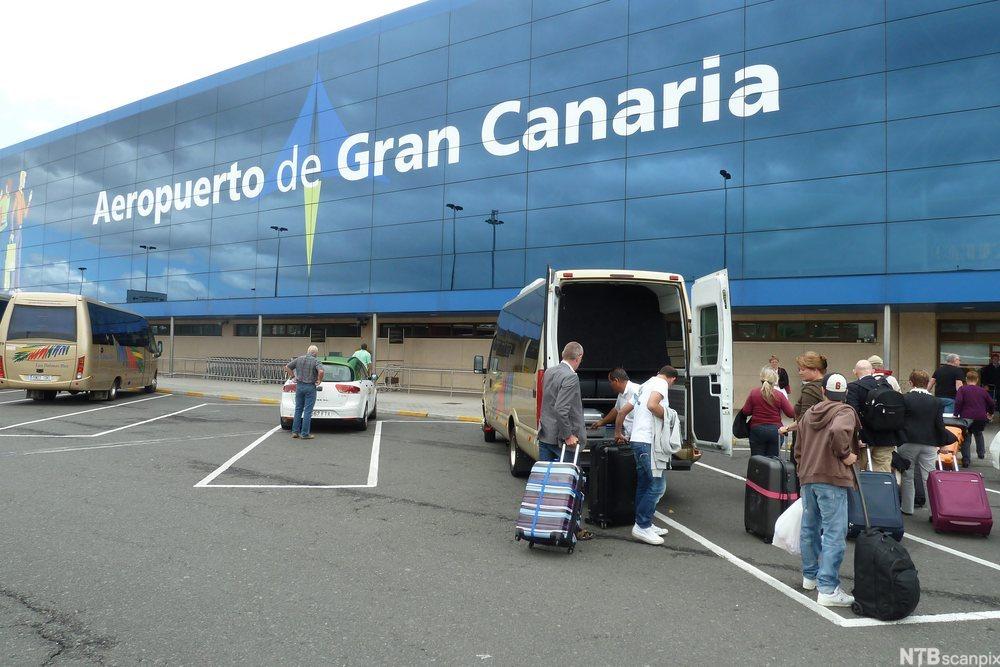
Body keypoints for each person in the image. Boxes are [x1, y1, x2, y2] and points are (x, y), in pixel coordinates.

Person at [794, 373, 860, 608]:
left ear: (823, 391)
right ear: (844, 395)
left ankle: (810, 577)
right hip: (832, 478)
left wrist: (803, 468)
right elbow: (838, 432)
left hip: (808, 477)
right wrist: (846, 454)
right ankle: (828, 588)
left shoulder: (809, 414)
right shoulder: (845, 411)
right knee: (834, 532)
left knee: (809, 528)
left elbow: (798, 448)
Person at [615, 365, 679, 546]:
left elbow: (622, 411)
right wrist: (668, 416)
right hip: (648, 442)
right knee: (658, 485)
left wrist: (618, 433)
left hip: (637, 440)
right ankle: (642, 526)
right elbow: (653, 405)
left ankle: (645, 523)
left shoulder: (644, 385)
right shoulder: (661, 384)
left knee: (644, 483)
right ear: (672, 379)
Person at [536, 341, 593, 541]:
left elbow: (549, 404)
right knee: (570, 486)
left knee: (547, 485)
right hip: (563, 441)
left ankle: (545, 525)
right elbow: (562, 409)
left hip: (546, 435)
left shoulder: (550, 372)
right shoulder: (570, 377)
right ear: (578, 358)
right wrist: (568, 435)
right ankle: (572, 528)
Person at [899, 370, 952, 514]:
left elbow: (900, 421)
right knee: (929, 477)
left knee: (907, 475)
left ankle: (907, 508)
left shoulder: (904, 398)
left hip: (908, 441)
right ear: (928, 383)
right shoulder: (936, 401)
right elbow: (939, 425)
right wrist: (943, 444)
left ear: (911, 382)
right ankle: (933, 511)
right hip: (930, 443)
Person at [846, 359, 901, 473]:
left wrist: (857, 436)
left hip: (864, 438)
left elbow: (853, 412)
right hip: (886, 437)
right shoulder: (886, 386)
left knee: (860, 473)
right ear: (872, 371)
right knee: (883, 472)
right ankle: (883, 490)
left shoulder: (853, 387)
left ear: (854, 372)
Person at [741, 366, 794, 457]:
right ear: (775, 380)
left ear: (761, 379)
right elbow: (791, 413)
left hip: (757, 430)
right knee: (772, 463)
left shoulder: (754, 393)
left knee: (757, 461)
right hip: (775, 431)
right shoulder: (779, 395)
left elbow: (746, 411)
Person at [780, 351, 827, 454]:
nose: (800, 372)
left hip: (807, 442)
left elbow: (804, 419)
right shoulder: (827, 385)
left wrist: (786, 428)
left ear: (815, 370)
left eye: (803, 369)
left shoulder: (810, 389)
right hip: (823, 439)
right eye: (799, 369)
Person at [953, 369, 996, 466]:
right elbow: (991, 403)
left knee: (966, 437)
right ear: (977, 380)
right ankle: (981, 454)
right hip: (981, 416)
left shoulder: (962, 389)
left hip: (967, 416)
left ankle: (966, 460)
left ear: (966, 379)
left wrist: (956, 413)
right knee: (978, 433)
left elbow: (958, 402)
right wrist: (990, 413)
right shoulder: (983, 391)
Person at [285, 345, 325, 440]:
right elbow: (321, 371)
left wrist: (293, 377)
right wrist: (319, 380)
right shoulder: (316, 361)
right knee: (307, 411)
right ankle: (304, 433)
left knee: (298, 409)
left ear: (308, 351)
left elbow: (287, 367)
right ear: (315, 353)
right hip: (310, 387)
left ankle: (295, 432)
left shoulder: (299, 359)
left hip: (299, 386)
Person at [590, 368, 640, 443]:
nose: (610, 385)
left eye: (610, 382)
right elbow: (616, 410)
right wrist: (601, 422)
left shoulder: (637, 390)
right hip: (630, 436)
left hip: (639, 437)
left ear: (616, 381)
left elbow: (620, 412)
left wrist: (618, 433)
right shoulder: (621, 394)